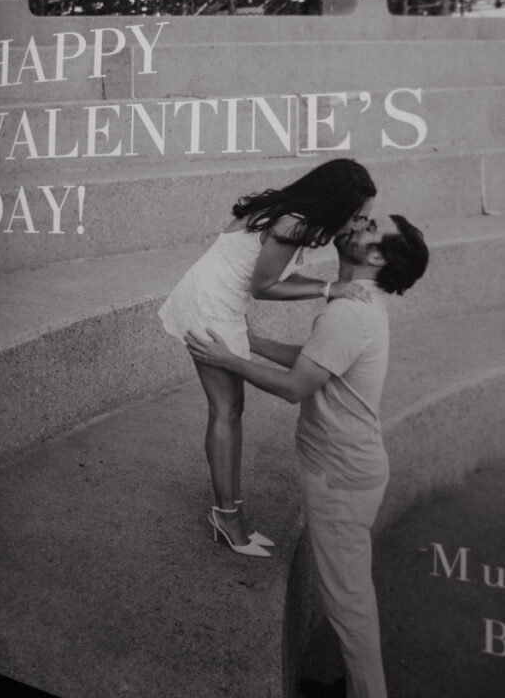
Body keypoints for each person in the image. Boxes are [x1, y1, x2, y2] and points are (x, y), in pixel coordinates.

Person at [185, 212, 429, 698]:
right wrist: (252, 342)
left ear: (376, 256)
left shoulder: (349, 311)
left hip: (341, 479)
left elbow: (297, 387)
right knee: (350, 596)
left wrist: (230, 360)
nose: (357, 222)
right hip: (349, 470)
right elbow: (315, 357)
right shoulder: (358, 305)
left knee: (349, 605)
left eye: (370, 227)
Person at [158, 158, 377, 557]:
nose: (360, 225)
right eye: (359, 216)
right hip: (211, 306)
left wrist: (327, 288)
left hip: (215, 300)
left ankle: (231, 511)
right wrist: (329, 289)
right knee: (226, 411)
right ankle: (227, 517)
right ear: (337, 203)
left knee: (229, 410)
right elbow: (263, 287)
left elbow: (268, 275)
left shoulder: (291, 215)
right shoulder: (292, 224)